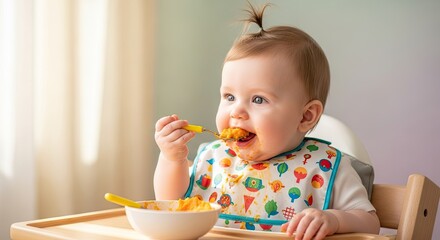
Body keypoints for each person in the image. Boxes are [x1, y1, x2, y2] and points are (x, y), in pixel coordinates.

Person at [154, 3, 380, 240]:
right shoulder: (214, 159)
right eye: (229, 96)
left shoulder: (324, 166)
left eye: (258, 99)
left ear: (306, 116)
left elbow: (369, 223)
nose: (237, 111)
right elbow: (170, 205)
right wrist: (172, 158)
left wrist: (334, 219)